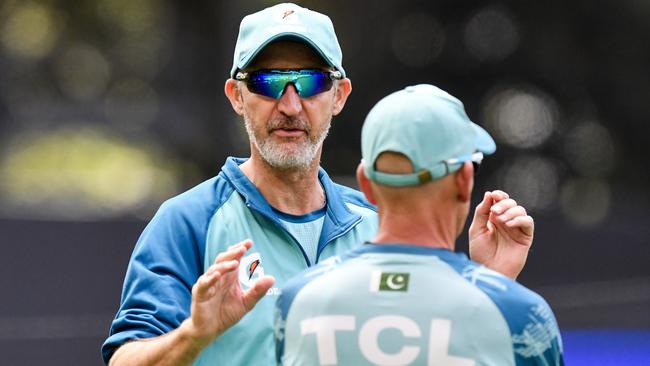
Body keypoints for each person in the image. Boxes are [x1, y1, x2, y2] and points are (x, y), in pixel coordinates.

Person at [102, 4, 534, 366]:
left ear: (339, 95)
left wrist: (488, 282)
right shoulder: (188, 221)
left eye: (310, 82)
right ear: (236, 96)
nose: (290, 105)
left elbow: (433, 350)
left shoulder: (379, 225)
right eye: (267, 82)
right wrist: (195, 334)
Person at [275, 84, 564, 365]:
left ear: (366, 183)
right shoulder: (521, 315)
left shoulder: (299, 299)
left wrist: (489, 281)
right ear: (464, 179)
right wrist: (494, 286)